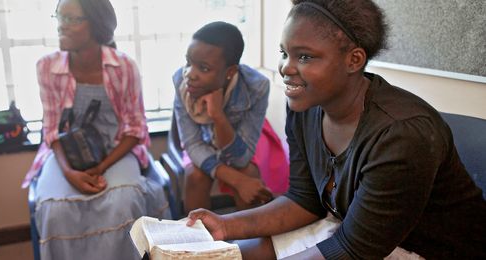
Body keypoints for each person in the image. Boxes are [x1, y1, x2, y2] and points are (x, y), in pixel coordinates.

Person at [187, 0, 486, 259]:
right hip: (357, 236)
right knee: (238, 251)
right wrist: (226, 225)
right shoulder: (305, 109)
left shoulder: (401, 134)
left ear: (353, 60)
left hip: (429, 251)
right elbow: (304, 200)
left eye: (304, 56)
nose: (286, 68)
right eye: (284, 53)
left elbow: (352, 251)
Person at [22, 0, 170, 259]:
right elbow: (51, 128)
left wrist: (99, 168)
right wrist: (69, 173)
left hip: (116, 150)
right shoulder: (47, 67)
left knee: (123, 202)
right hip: (65, 153)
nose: (61, 26)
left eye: (71, 19)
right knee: (55, 210)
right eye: (59, 17)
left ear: (97, 24)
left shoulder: (124, 67)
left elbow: (135, 129)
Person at [173, 21, 289, 213]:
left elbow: (241, 158)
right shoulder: (180, 81)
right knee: (196, 177)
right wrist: (238, 181)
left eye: (203, 68)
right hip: (201, 143)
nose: (190, 75)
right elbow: (193, 144)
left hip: (241, 141)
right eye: (188, 62)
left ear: (230, 72)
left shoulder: (257, 87)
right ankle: (197, 241)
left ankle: (250, 240)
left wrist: (218, 116)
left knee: (249, 173)